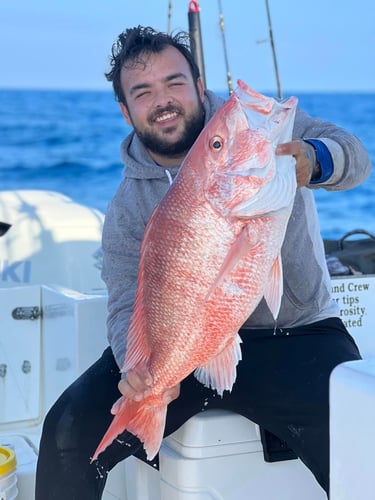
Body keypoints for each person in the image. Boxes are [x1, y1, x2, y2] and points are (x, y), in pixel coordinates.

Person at [35, 26, 371, 499]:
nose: (163, 100)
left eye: (174, 83)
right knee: (67, 431)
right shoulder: (128, 207)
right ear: (125, 109)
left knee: (365, 437)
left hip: (297, 333)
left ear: (198, 85)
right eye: (143, 92)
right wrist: (142, 374)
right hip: (183, 346)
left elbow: (355, 158)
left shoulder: (256, 130)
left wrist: (314, 161)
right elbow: (125, 302)